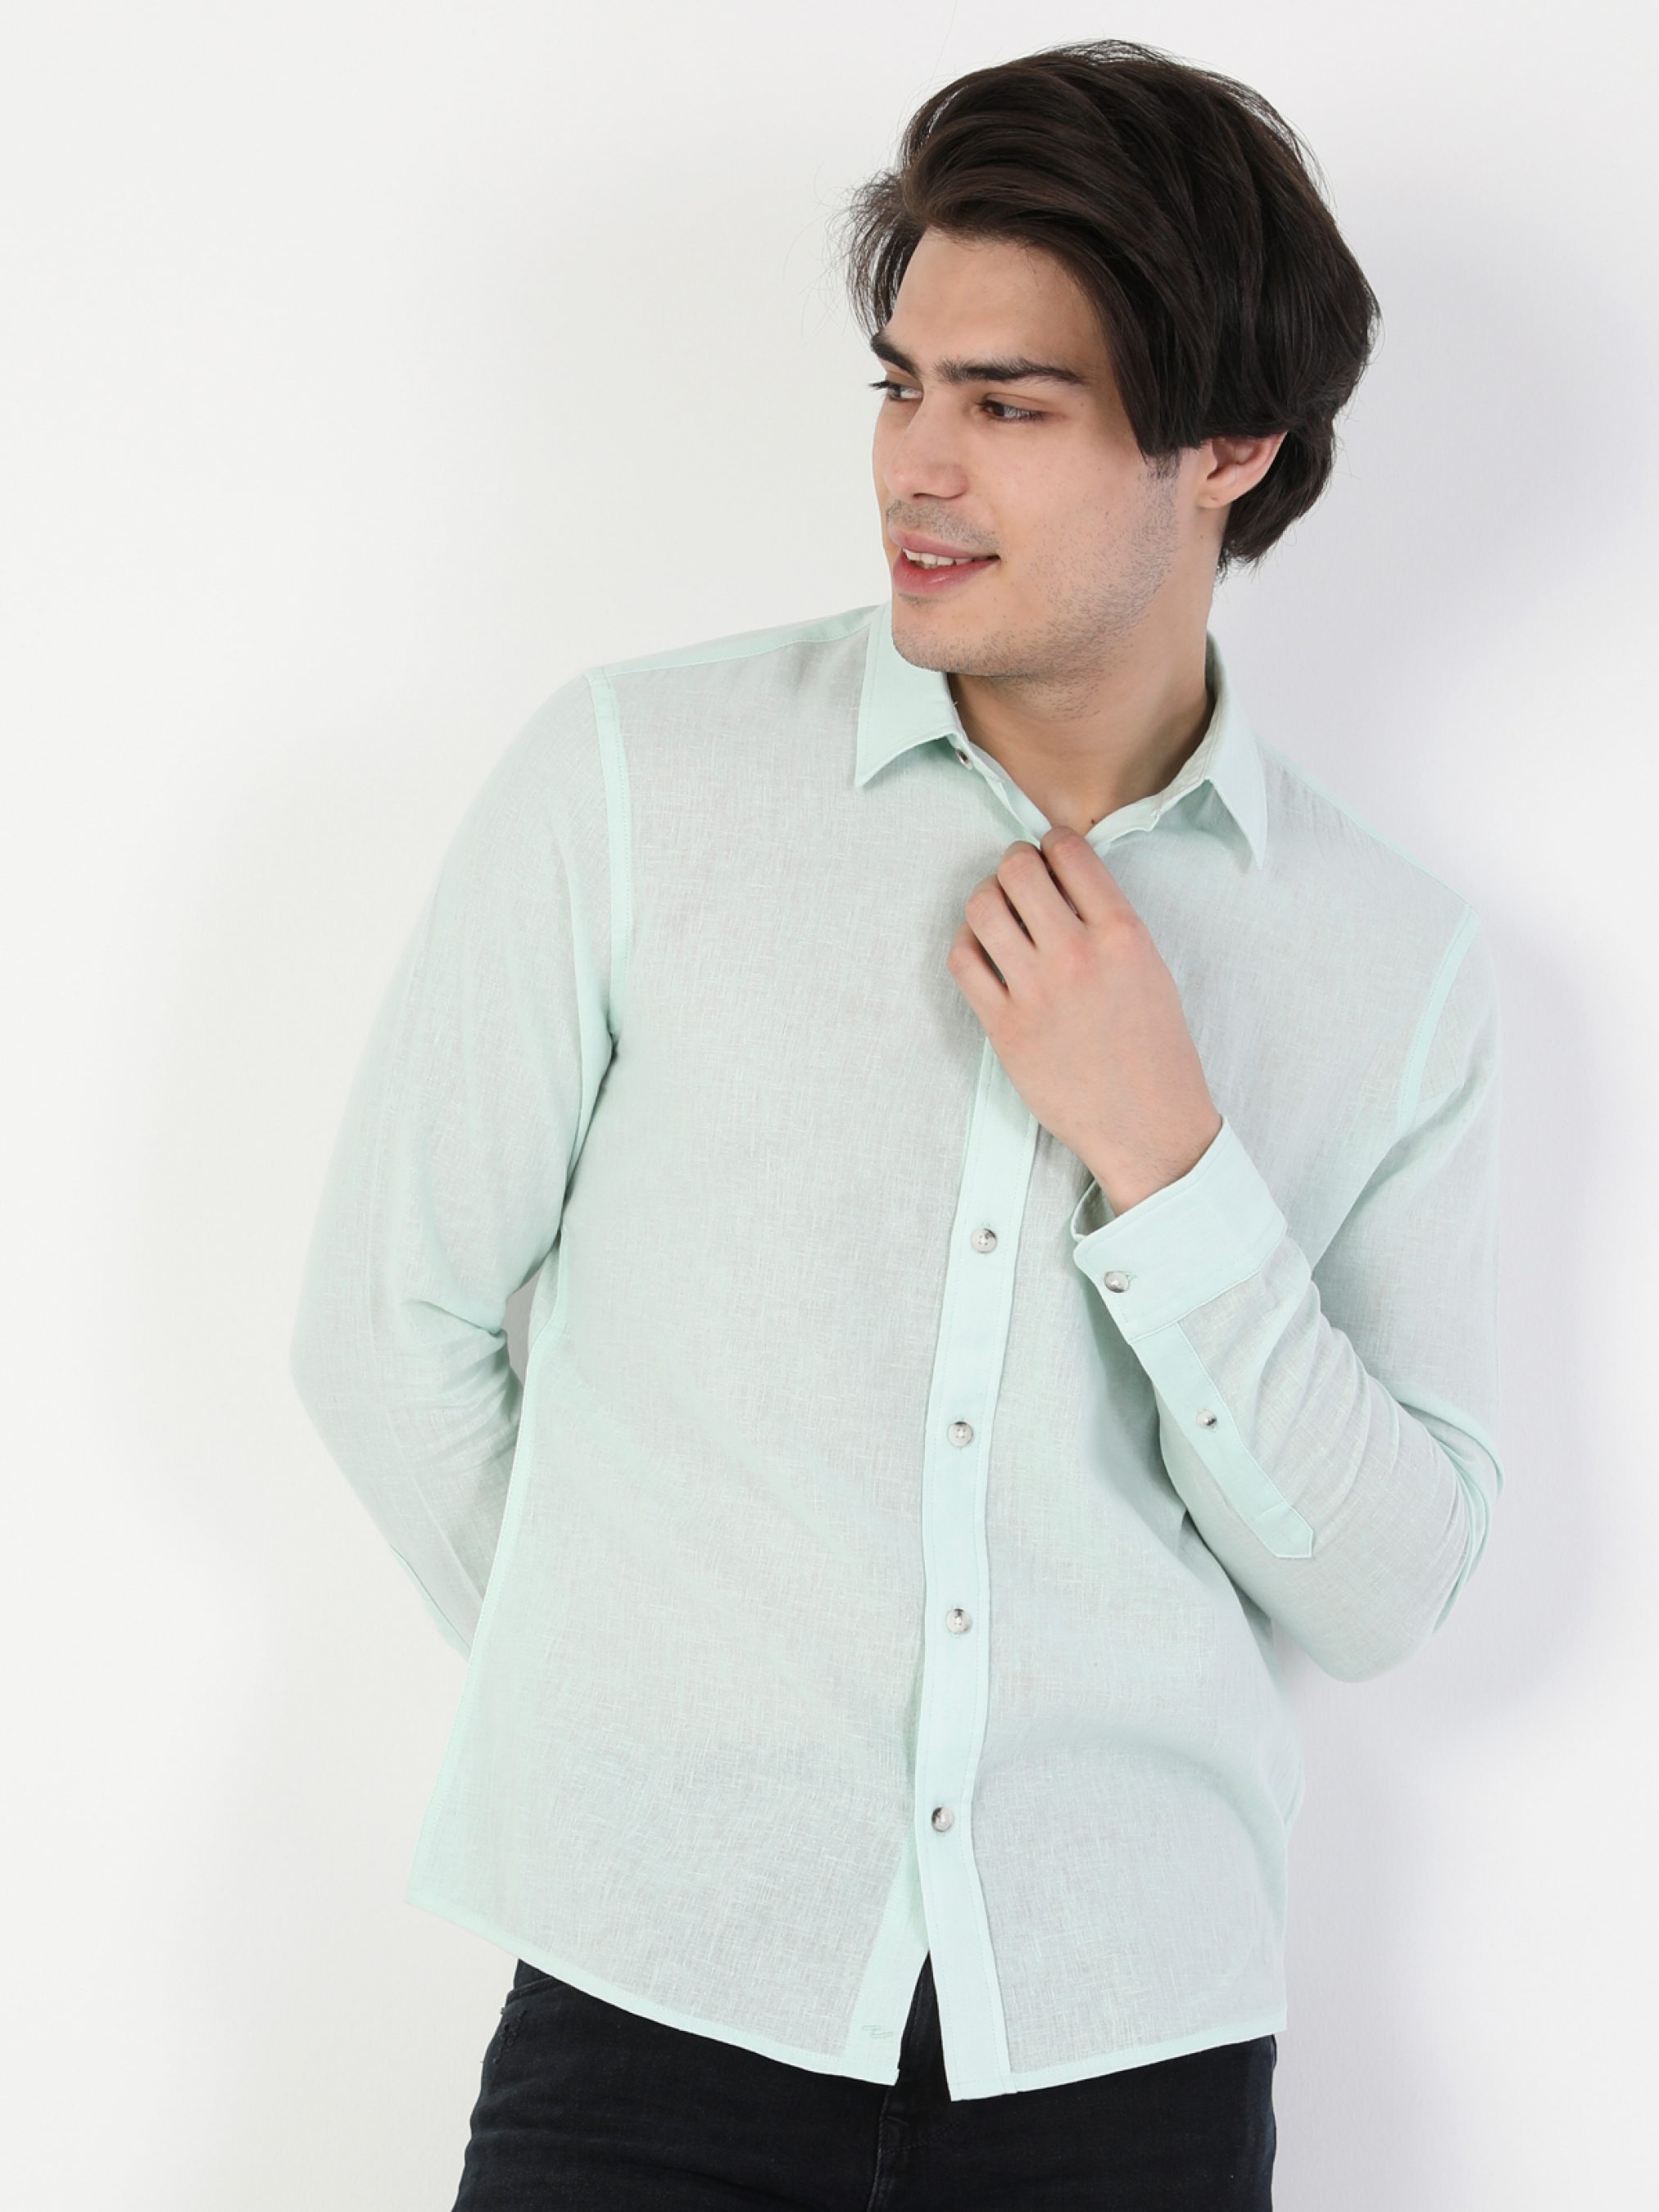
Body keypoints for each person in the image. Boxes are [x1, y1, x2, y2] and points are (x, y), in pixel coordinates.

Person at [291, 39, 1501, 2210]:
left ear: (1227, 446)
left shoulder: (1385, 958)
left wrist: (1168, 1160)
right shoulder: (635, 784)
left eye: (1009, 405)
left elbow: (1390, 1585)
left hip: (1128, 2048)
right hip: (653, 2014)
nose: (915, 468)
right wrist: (666, 1730)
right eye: (900, 384)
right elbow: (389, 1330)